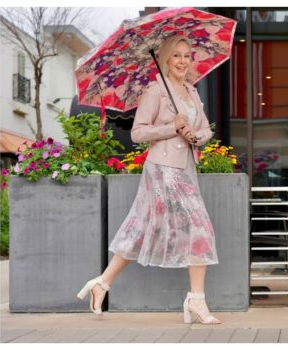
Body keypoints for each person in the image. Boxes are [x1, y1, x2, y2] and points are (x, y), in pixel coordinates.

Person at [77, 35, 222, 325]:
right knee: (201, 229)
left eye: (186, 56)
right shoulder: (156, 91)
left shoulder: (192, 92)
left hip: (186, 169)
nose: (183, 61)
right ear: (166, 59)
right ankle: (197, 301)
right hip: (163, 169)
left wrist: (195, 136)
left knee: (143, 229)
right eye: (177, 55)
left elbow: (206, 130)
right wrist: (172, 127)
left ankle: (101, 283)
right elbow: (138, 133)